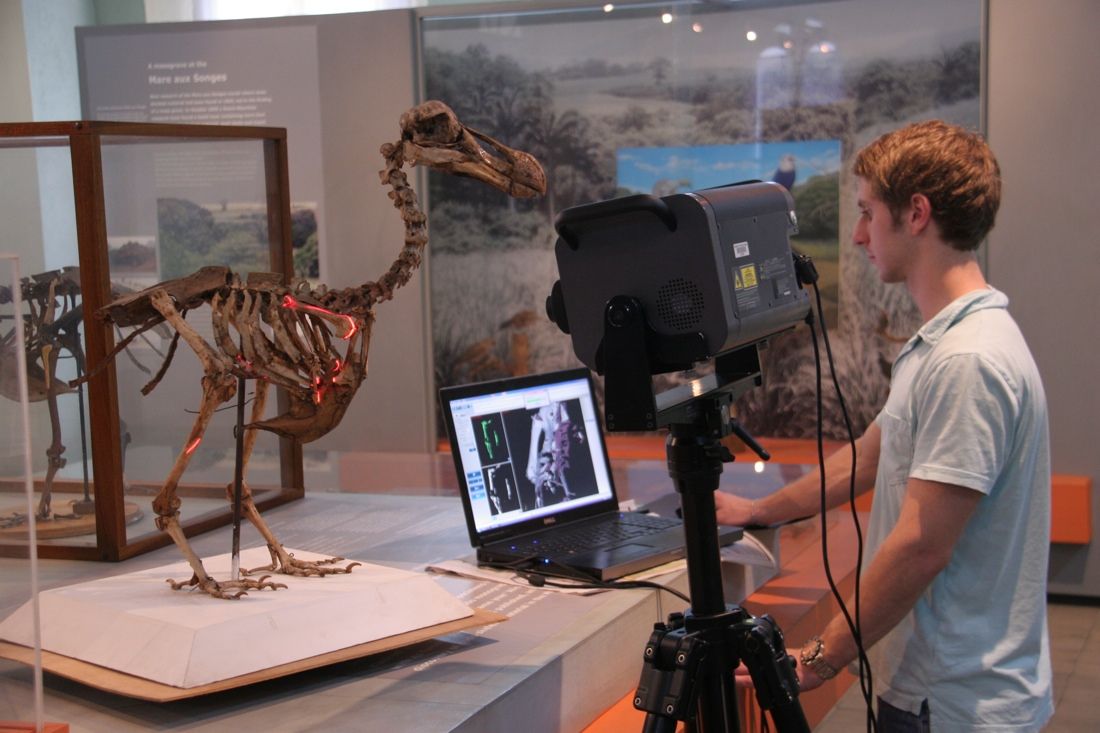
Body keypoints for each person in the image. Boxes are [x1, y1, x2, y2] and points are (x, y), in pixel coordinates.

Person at [715, 120, 1053, 731]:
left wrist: (820, 658)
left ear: (916, 213)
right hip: (933, 687)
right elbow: (867, 458)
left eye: (869, 212)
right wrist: (758, 512)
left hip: (955, 703)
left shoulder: (966, 360)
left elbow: (923, 546)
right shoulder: (941, 343)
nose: (860, 234)